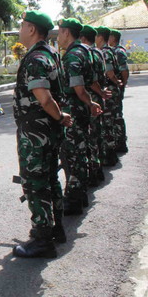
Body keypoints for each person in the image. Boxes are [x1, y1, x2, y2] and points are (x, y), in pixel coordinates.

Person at [12, 10, 72, 258]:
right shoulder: (52, 55)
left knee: (35, 184)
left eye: (22, 26)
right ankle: (55, 228)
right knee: (49, 179)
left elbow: (44, 98)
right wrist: (59, 118)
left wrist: (59, 115)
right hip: (48, 131)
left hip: (36, 132)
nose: (19, 30)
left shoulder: (36, 59)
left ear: (32, 29)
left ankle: (42, 239)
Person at [58, 17, 102, 216]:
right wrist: (91, 101)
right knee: (80, 151)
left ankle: (74, 198)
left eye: (59, 32)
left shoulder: (73, 55)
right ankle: (80, 193)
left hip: (73, 109)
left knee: (72, 154)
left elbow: (78, 87)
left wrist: (89, 102)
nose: (58, 36)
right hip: (80, 109)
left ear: (67, 33)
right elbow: (91, 81)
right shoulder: (86, 52)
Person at [80, 25, 109, 186]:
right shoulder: (98, 53)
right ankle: (98, 168)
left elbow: (90, 81)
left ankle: (92, 171)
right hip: (97, 96)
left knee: (89, 137)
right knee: (97, 134)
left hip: (89, 98)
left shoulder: (86, 53)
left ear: (82, 38)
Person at [95, 26, 121, 166]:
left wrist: (116, 83)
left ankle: (109, 156)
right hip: (110, 91)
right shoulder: (109, 51)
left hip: (108, 92)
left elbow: (110, 73)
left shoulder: (104, 52)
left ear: (100, 37)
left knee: (107, 123)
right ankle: (111, 153)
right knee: (111, 121)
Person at [108, 28, 129, 153]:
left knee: (116, 115)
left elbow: (124, 71)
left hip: (116, 87)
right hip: (115, 86)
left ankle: (120, 142)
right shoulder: (112, 51)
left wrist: (122, 85)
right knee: (114, 114)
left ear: (114, 38)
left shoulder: (119, 51)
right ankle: (116, 140)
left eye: (109, 37)